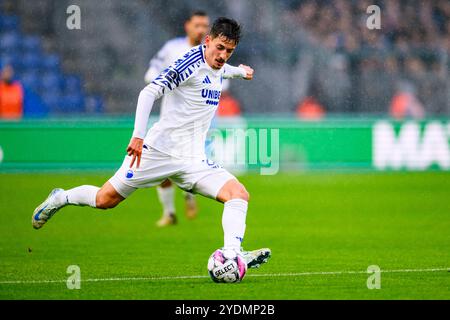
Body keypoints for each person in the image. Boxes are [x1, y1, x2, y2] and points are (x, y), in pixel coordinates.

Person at [32, 17, 271, 269]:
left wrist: (240, 71)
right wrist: (138, 135)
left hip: (192, 160)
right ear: (208, 41)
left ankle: (232, 254)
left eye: (229, 51)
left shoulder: (218, 65)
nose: (223, 55)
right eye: (220, 48)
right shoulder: (189, 64)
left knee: (238, 194)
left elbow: (222, 70)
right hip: (158, 152)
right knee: (105, 200)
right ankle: (61, 197)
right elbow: (148, 92)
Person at [144, 11, 210, 227]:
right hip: (170, 120)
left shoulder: (211, 53)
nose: (201, 29)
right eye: (197, 25)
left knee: (188, 165)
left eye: (205, 26)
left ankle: (189, 194)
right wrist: (167, 82)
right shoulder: (172, 49)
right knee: (161, 169)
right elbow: (150, 74)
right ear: (187, 26)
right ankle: (170, 213)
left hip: (195, 124)